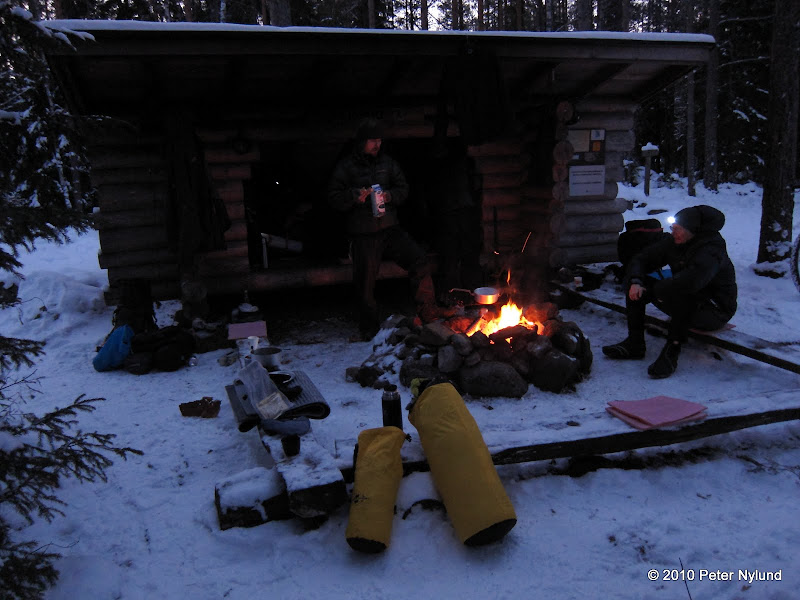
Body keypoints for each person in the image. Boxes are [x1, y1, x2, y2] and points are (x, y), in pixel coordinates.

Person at [602, 205, 738, 379]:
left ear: (692, 230)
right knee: (637, 285)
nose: (673, 233)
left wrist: (657, 291)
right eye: (672, 228)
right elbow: (642, 259)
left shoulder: (711, 250)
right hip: (681, 299)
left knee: (682, 295)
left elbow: (692, 282)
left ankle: (671, 353)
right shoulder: (674, 242)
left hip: (714, 311)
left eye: (678, 229)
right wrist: (636, 281)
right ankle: (635, 344)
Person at [328, 119, 434, 340]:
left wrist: (390, 195)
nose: (377, 144)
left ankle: (428, 317)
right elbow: (333, 197)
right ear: (361, 142)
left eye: (379, 140)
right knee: (365, 284)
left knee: (420, 261)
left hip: (389, 228)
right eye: (372, 141)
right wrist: (354, 196)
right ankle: (370, 331)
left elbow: (403, 188)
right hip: (363, 233)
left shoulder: (388, 163)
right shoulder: (346, 166)